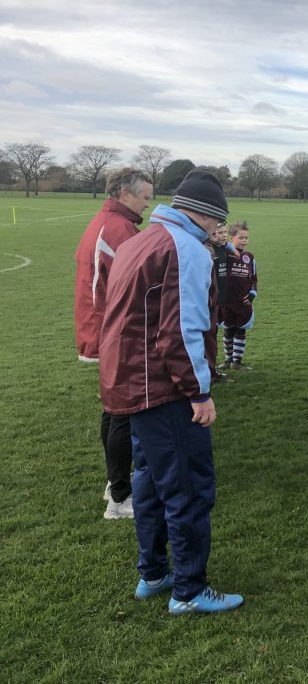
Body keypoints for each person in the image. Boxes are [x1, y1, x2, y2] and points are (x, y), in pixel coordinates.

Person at [100, 169, 244, 615]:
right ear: (206, 216)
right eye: (217, 222)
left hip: (131, 385)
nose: (217, 231)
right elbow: (183, 330)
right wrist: (199, 392)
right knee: (187, 488)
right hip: (164, 389)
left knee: (150, 483)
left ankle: (154, 572)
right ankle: (188, 589)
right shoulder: (186, 249)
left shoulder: (141, 239)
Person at [74, 167, 154, 519]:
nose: (148, 205)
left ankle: (114, 484)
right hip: (113, 331)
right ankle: (120, 499)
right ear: (125, 194)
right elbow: (134, 282)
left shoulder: (109, 222)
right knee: (122, 412)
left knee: (112, 409)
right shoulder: (119, 229)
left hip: (104, 329)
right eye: (145, 197)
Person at [220, 221, 257, 371]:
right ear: (231, 238)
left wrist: (252, 294)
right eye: (241, 237)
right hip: (226, 301)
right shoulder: (225, 254)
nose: (244, 241)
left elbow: (253, 277)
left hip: (243, 302)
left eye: (246, 238)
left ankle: (237, 362)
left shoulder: (249, 257)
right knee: (228, 330)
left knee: (240, 330)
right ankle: (228, 360)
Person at [207, 224, 233, 383]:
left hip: (221, 300)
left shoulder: (223, 248)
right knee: (209, 335)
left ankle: (212, 368)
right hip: (210, 301)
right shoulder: (209, 251)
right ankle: (210, 370)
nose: (223, 236)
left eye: (224, 232)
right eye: (218, 233)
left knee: (214, 333)